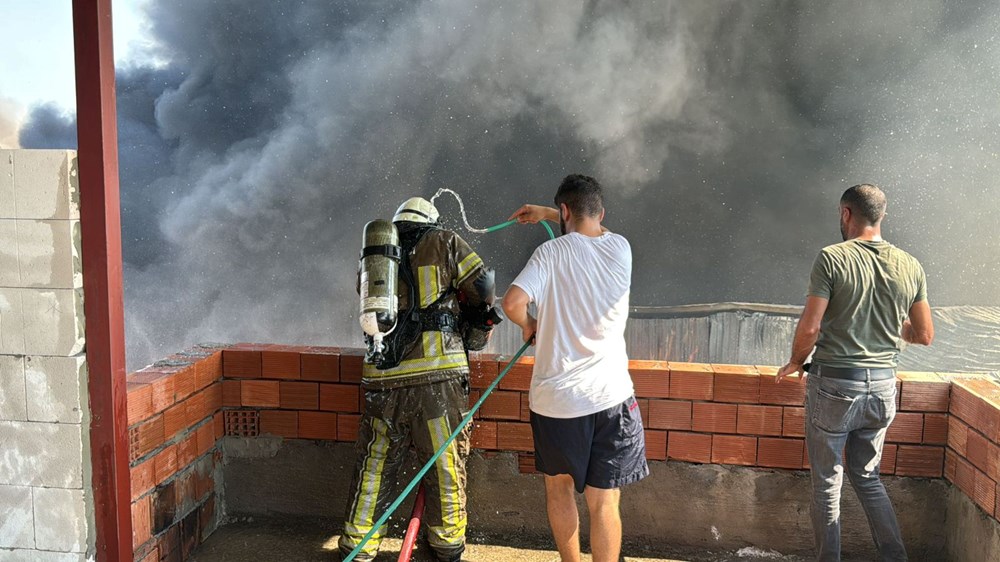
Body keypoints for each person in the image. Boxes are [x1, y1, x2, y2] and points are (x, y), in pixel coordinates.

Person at [776, 184, 934, 562]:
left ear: (846, 213)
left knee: (827, 483)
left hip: (835, 385)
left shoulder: (832, 258)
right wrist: (891, 327)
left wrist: (796, 361)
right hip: (882, 387)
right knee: (867, 477)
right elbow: (924, 334)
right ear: (882, 216)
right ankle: (895, 557)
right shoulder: (910, 265)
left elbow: (811, 326)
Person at [339, 196, 498, 562]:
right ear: (431, 221)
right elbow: (485, 287)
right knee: (444, 462)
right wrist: (476, 327)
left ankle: (358, 544)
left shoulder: (375, 257)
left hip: (381, 378)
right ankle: (446, 544)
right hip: (436, 378)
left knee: (375, 462)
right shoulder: (446, 240)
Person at [502, 174, 648, 562]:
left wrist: (529, 324)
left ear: (564, 210)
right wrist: (553, 213)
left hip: (557, 403)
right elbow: (592, 227)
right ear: (601, 213)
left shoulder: (550, 254)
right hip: (611, 398)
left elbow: (512, 303)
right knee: (605, 502)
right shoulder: (620, 248)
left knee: (559, 490)